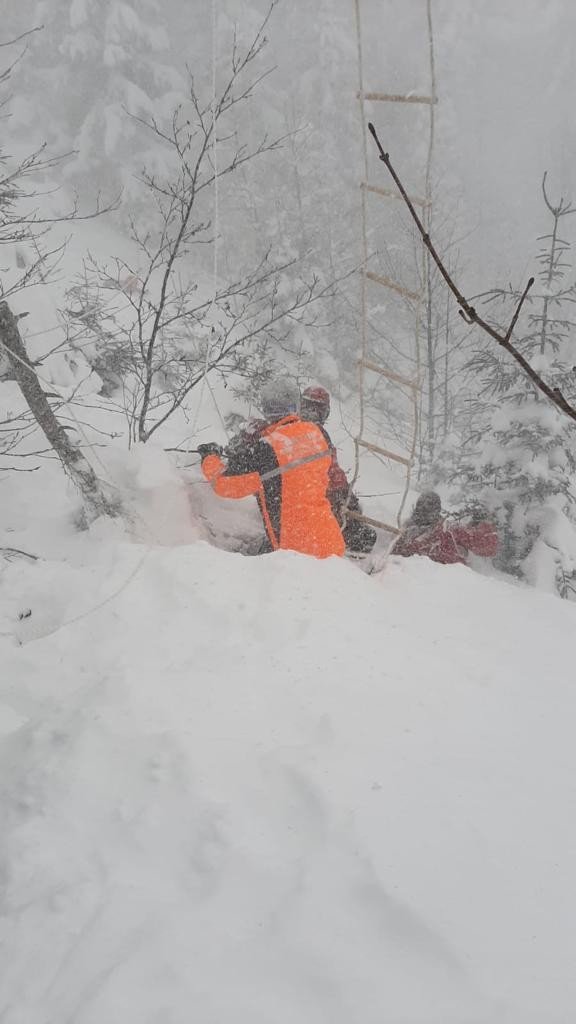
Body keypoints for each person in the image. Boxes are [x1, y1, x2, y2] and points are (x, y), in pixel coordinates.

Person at [198, 378, 345, 559]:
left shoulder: (267, 449)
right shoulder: (318, 434)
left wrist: (209, 457)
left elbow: (222, 483)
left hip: (296, 552)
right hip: (330, 542)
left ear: (266, 409)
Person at [300, 385, 377, 555]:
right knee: (364, 536)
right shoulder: (318, 436)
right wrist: (348, 498)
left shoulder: (288, 429)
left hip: (294, 498)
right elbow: (332, 475)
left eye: (316, 408)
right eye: (311, 407)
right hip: (314, 501)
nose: (313, 412)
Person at [392, 491, 498, 565]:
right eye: (421, 505)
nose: (424, 508)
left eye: (429, 505)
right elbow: (392, 555)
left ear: (437, 510)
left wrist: (483, 524)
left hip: (450, 583)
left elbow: (487, 545)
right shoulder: (405, 531)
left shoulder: (449, 530)